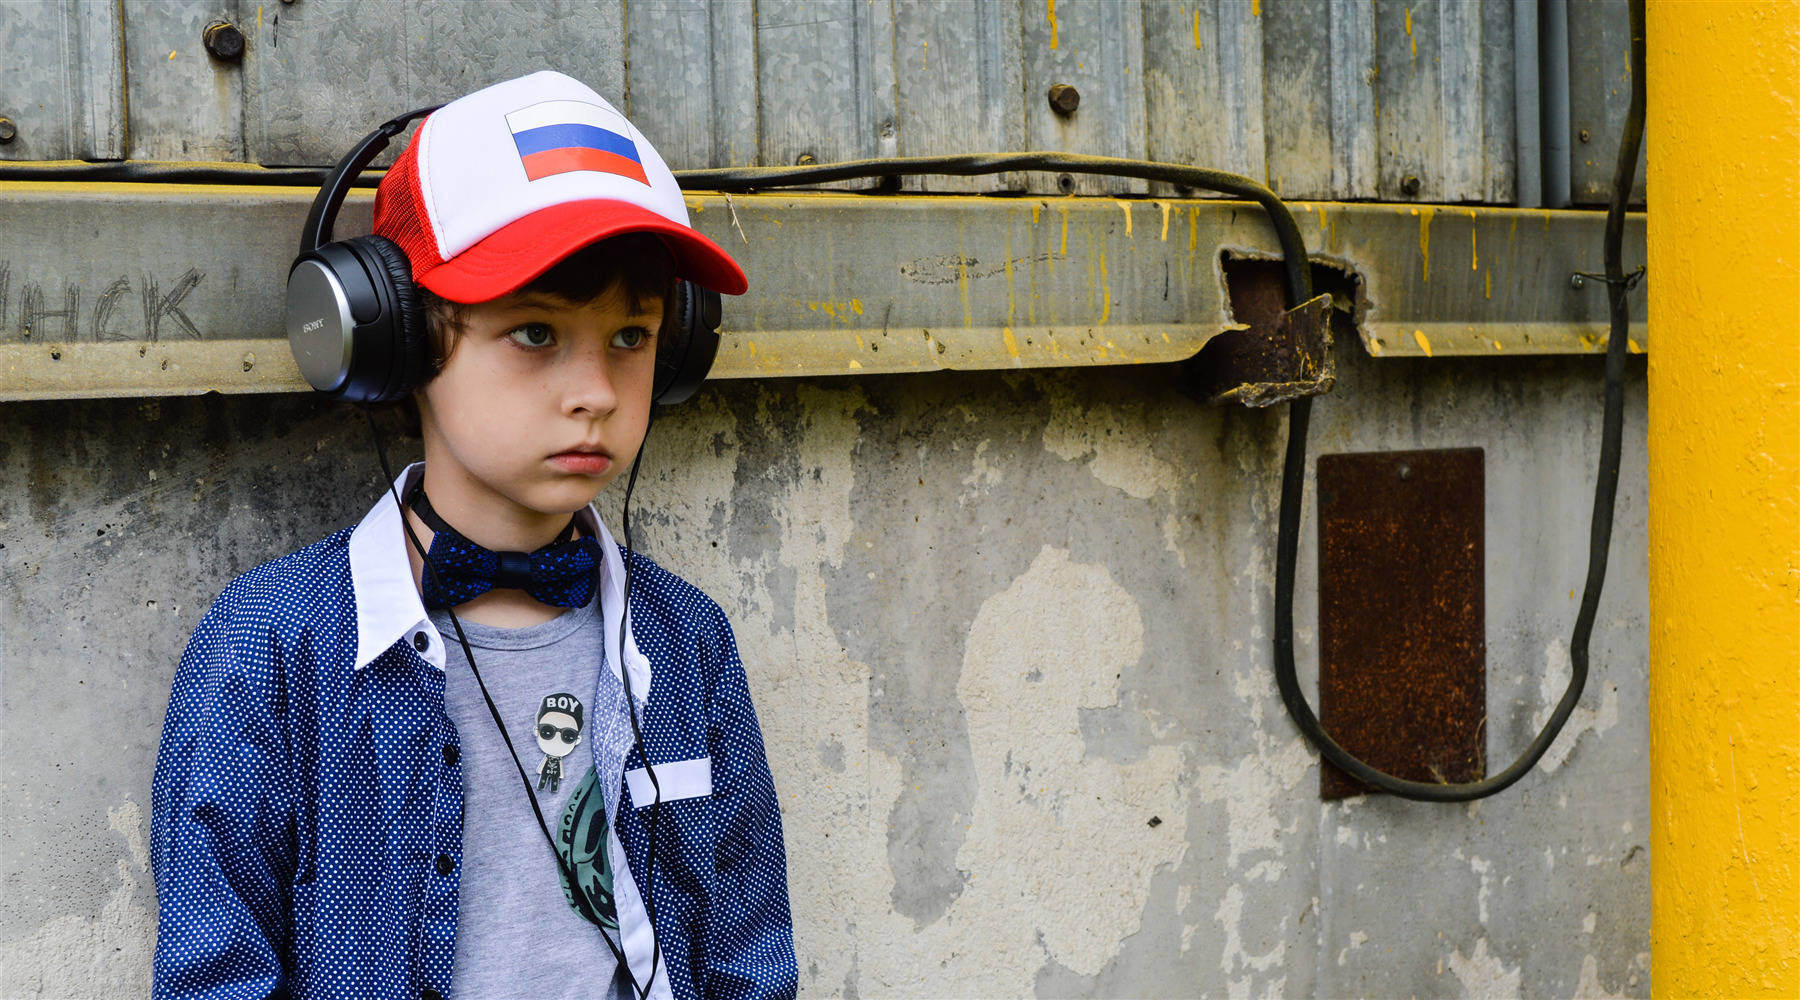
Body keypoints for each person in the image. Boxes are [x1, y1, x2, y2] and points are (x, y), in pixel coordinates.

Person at [150, 70, 797, 1000]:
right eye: (535, 333)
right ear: (396, 341)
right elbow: (214, 977)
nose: (596, 393)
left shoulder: (686, 640)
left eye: (632, 337)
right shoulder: (270, 646)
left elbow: (750, 961)